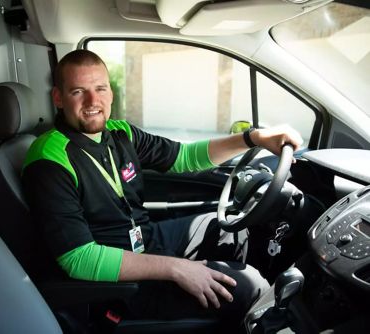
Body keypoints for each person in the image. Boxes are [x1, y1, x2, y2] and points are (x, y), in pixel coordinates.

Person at [22, 50, 303, 327]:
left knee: (232, 230)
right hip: (117, 284)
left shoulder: (120, 133)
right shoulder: (48, 158)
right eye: (78, 92)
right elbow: (79, 258)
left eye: (100, 88)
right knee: (248, 285)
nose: (93, 101)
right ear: (58, 98)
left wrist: (253, 138)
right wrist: (176, 268)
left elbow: (185, 157)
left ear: (110, 92)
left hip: (146, 240)